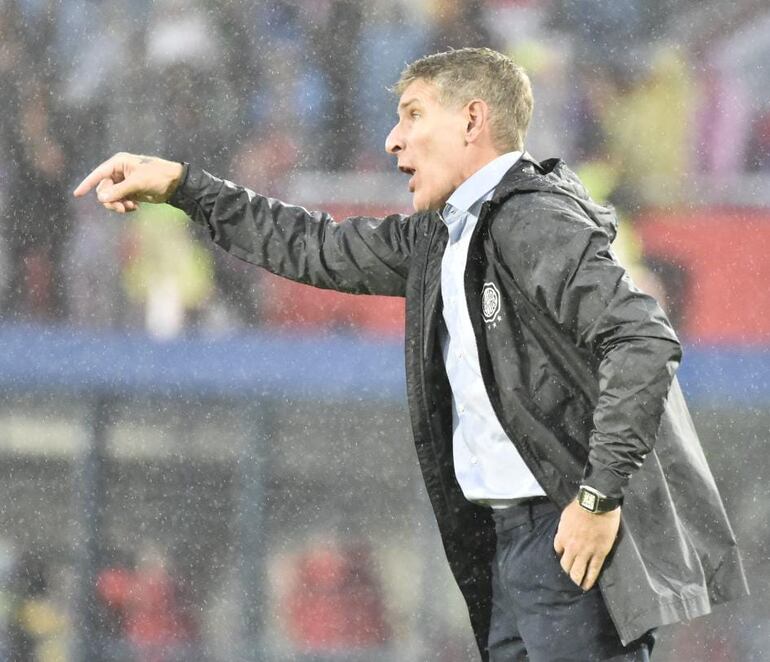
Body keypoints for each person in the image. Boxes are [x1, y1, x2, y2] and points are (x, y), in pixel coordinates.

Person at [73, 48, 748, 662]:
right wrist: (187, 188)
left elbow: (643, 339)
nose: (393, 139)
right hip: (507, 537)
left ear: (472, 121)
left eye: (413, 115)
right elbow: (312, 245)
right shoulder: (441, 236)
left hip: (562, 535)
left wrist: (599, 498)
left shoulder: (535, 219)